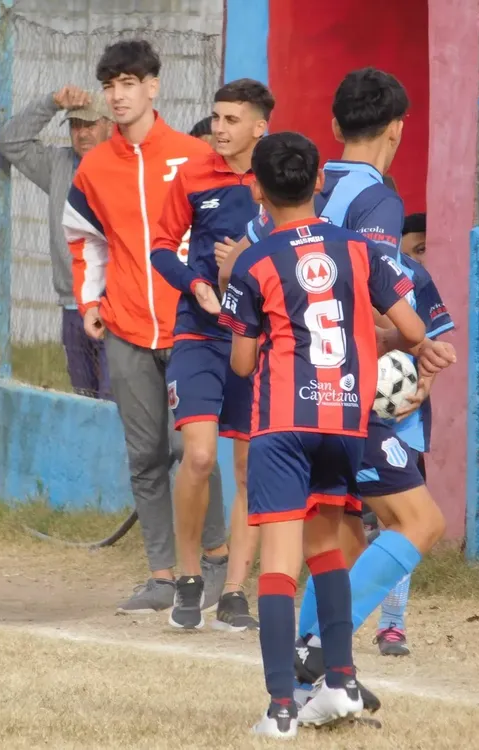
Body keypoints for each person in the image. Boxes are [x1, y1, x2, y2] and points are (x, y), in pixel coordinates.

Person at [218, 67, 457, 704]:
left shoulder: (295, 175)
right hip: (347, 391)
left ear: (332, 129)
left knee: (341, 534)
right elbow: (368, 303)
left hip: (286, 390)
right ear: (399, 130)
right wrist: (410, 348)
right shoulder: (378, 200)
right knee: (420, 521)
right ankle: (318, 648)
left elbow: (237, 259)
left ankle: (320, 660)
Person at [63, 40, 230, 614]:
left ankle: (214, 562)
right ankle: (162, 575)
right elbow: (86, 241)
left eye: (129, 83)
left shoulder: (195, 156)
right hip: (126, 329)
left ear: (153, 87)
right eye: (110, 86)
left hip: (190, 329)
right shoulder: (93, 166)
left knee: (194, 451)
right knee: (145, 457)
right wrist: (91, 301)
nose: (117, 95)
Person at [149, 78, 274, 631]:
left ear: (259, 127)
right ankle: (188, 576)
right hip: (199, 332)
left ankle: (236, 592)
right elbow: (159, 244)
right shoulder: (194, 174)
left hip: (257, 338)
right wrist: (195, 284)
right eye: (216, 118)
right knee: (198, 457)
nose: (218, 129)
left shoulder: (279, 179)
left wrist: (248, 259)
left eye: (230, 120)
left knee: (250, 467)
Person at [0, 85, 114, 399]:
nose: (81, 133)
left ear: (109, 126)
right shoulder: (59, 165)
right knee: (82, 399)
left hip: (116, 305)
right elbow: (9, 142)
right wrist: (52, 103)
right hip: (72, 305)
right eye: (75, 125)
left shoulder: (126, 165)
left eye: (89, 125)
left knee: (113, 401)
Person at [373, 213, 454, 656]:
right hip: (340, 413)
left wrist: (421, 389)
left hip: (401, 422)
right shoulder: (338, 263)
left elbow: (436, 348)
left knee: (399, 521)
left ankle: (392, 624)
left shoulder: (413, 277)